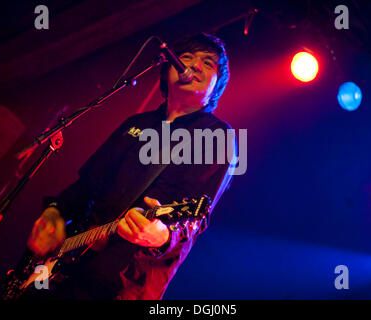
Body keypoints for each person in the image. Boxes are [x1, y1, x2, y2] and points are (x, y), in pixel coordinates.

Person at [24, 32, 234, 299]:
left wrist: (163, 236)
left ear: (217, 84)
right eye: (186, 57)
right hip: (69, 265)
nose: (194, 65)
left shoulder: (217, 136)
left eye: (208, 63)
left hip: (123, 282)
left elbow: (195, 217)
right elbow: (87, 185)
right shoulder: (136, 123)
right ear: (167, 69)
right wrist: (54, 211)